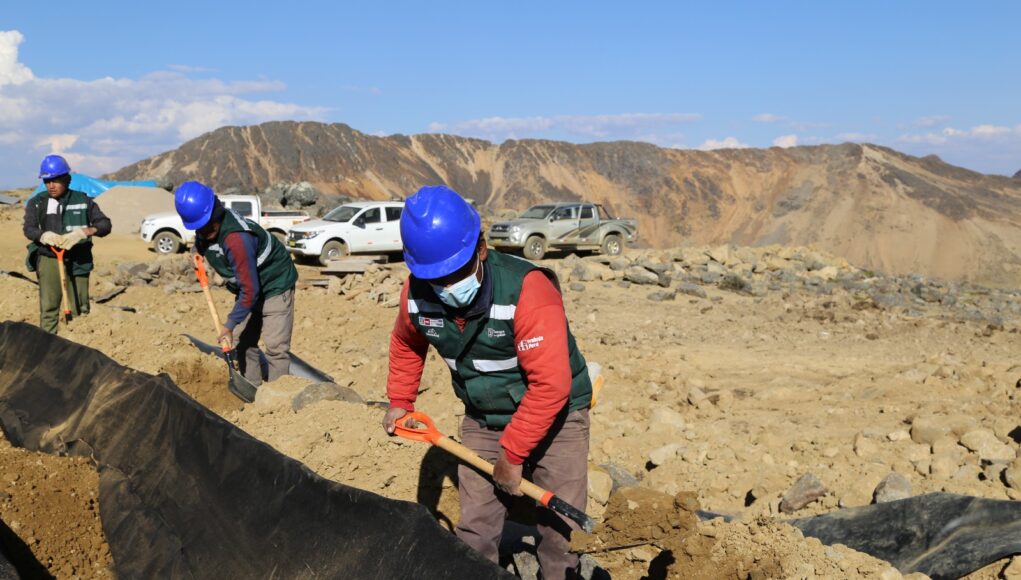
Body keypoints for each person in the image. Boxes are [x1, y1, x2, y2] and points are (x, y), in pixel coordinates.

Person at [383, 185, 592, 580]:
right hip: (483, 416)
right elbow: (406, 343)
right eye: (434, 277)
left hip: (558, 418)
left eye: (456, 273)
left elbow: (550, 386)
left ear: (481, 248)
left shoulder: (529, 291)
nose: (446, 287)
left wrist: (511, 457)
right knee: (476, 527)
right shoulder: (416, 295)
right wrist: (400, 401)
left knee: (558, 534)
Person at [174, 181, 298, 387]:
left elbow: (250, 290)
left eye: (205, 226)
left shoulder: (237, 240)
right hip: (249, 285)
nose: (203, 232)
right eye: (198, 228)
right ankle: (252, 388)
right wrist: (197, 251)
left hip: (275, 284)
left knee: (276, 347)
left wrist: (229, 325)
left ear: (215, 212)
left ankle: (278, 400)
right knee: (243, 342)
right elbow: (202, 239)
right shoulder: (205, 226)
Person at [22, 154, 112, 333]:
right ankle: (48, 344)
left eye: (55, 180)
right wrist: (43, 236)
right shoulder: (37, 202)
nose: (51, 185)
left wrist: (83, 232)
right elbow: (29, 228)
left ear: (67, 179)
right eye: (47, 181)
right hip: (49, 258)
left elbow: (105, 224)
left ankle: (79, 342)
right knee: (49, 307)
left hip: (79, 260)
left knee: (80, 308)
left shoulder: (83, 201)